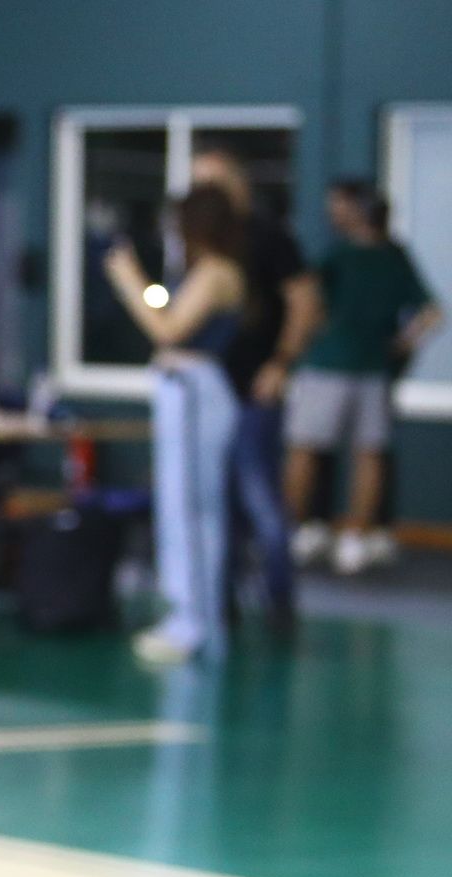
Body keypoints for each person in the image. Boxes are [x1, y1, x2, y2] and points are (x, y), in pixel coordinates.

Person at [105, 185, 248, 664]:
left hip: (194, 394)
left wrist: (128, 279)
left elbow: (167, 330)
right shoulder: (206, 271)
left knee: (192, 511)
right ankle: (188, 617)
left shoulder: (216, 272)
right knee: (178, 507)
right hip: (184, 392)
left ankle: (193, 624)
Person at [190, 147, 318, 631]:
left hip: (253, 391)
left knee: (260, 497)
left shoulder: (269, 236)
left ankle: (278, 600)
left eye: (213, 181)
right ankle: (222, 598)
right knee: (216, 501)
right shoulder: (206, 244)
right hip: (209, 390)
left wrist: (281, 363)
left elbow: (305, 301)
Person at [285, 182, 442, 575]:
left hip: (336, 366)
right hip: (364, 367)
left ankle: (302, 533)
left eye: (339, 206)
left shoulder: (351, 256)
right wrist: (402, 344)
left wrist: (401, 344)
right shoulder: (378, 256)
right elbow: (431, 313)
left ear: (359, 210)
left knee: (320, 449)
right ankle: (340, 536)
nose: (333, 213)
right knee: (360, 452)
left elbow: (306, 301)